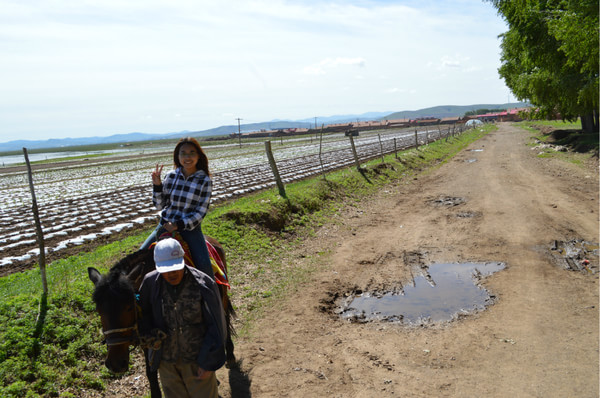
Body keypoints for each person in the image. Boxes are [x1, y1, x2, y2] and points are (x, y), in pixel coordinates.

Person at [139, 237, 226, 398]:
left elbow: (217, 325)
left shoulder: (204, 284)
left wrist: (208, 362)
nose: (172, 273)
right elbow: (144, 315)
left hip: (198, 362)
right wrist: (148, 335)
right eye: (166, 270)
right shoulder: (150, 284)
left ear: (183, 260)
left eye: (175, 268)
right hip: (167, 365)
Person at [141, 137, 214, 279]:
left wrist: (178, 225)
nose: (187, 157)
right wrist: (157, 185)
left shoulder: (204, 180)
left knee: (204, 267)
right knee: (139, 257)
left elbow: (201, 211)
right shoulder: (171, 176)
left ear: (199, 155)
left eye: (192, 152)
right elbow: (160, 205)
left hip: (189, 230)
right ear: (177, 156)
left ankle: (214, 299)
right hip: (164, 225)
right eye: (183, 153)